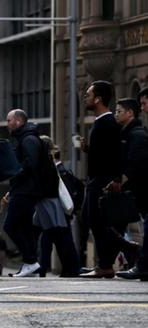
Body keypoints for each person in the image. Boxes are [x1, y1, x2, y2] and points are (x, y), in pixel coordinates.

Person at [79, 81, 136, 278]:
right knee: (91, 219)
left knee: (97, 221)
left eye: (89, 94)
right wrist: (89, 149)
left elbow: (114, 155)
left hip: (102, 181)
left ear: (98, 98)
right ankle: (117, 254)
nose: (85, 97)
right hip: (96, 178)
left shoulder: (107, 123)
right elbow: (103, 153)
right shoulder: (100, 122)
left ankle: (108, 262)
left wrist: (115, 179)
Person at [1, 109, 41, 277]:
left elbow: (30, 164)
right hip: (23, 189)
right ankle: (30, 264)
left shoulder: (28, 139)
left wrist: (15, 174)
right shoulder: (23, 138)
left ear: (18, 121)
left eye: (9, 120)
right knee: (24, 227)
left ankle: (31, 261)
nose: (7, 124)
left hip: (26, 191)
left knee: (10, 226)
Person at [33, 136, 80, 278]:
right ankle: (67, 268)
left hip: (55, 207)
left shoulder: (49, 165)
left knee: (55, 239)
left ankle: (49, 268)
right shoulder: (49, 164)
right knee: (55, 240)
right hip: (55, 208)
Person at [113, 98, 148, 281]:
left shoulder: (137, 135)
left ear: (130, 113)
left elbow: (137, 166)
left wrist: (122, 181)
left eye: (119, 111)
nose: (116, 114)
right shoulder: (129, 133)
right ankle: (142, 267)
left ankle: (142, 267)